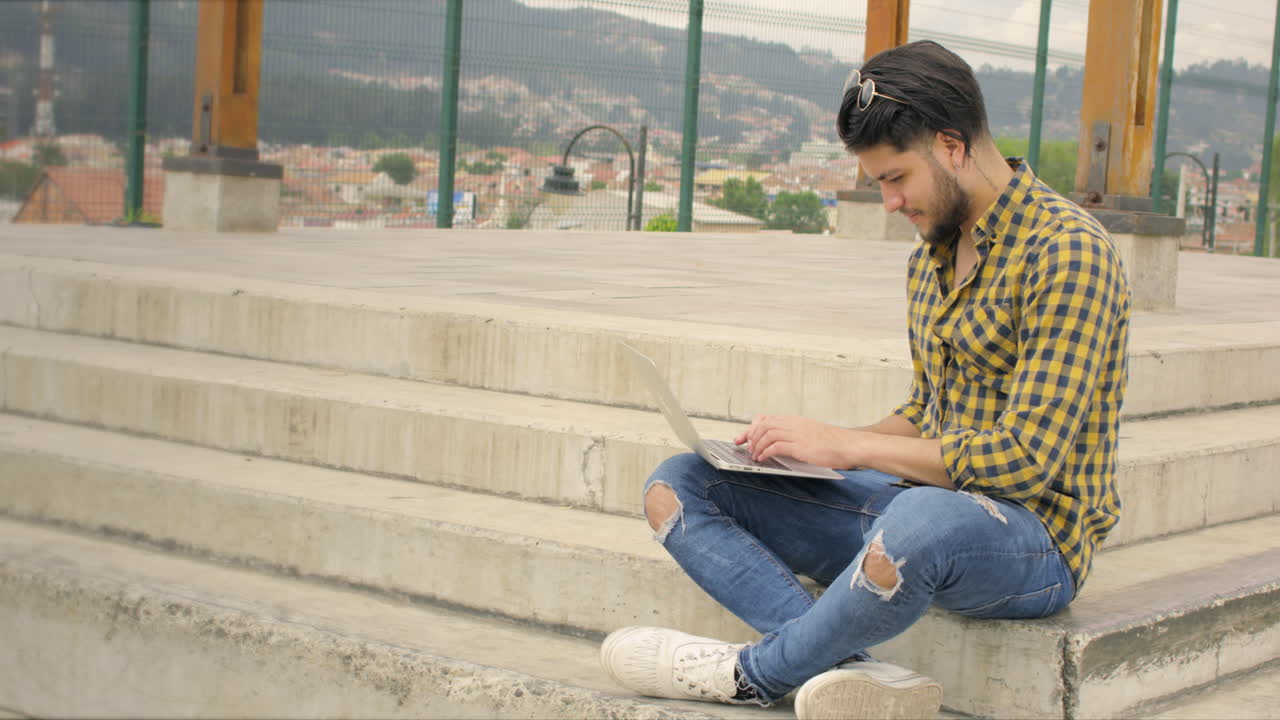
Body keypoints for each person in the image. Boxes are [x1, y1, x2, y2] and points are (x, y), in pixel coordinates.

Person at [598, 39, 1132, 719]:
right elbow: (927, 411)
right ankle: (859, 674)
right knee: (678, 486)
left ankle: (752, 675)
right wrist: (812, 448)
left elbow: (1025, 462)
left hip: (1031, 542)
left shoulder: (1069, 253)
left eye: (896, 177)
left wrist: (850, 448)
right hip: (915, 509)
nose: (888, 202)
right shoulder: (932, 259)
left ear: (952, 146)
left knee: (919, 518)